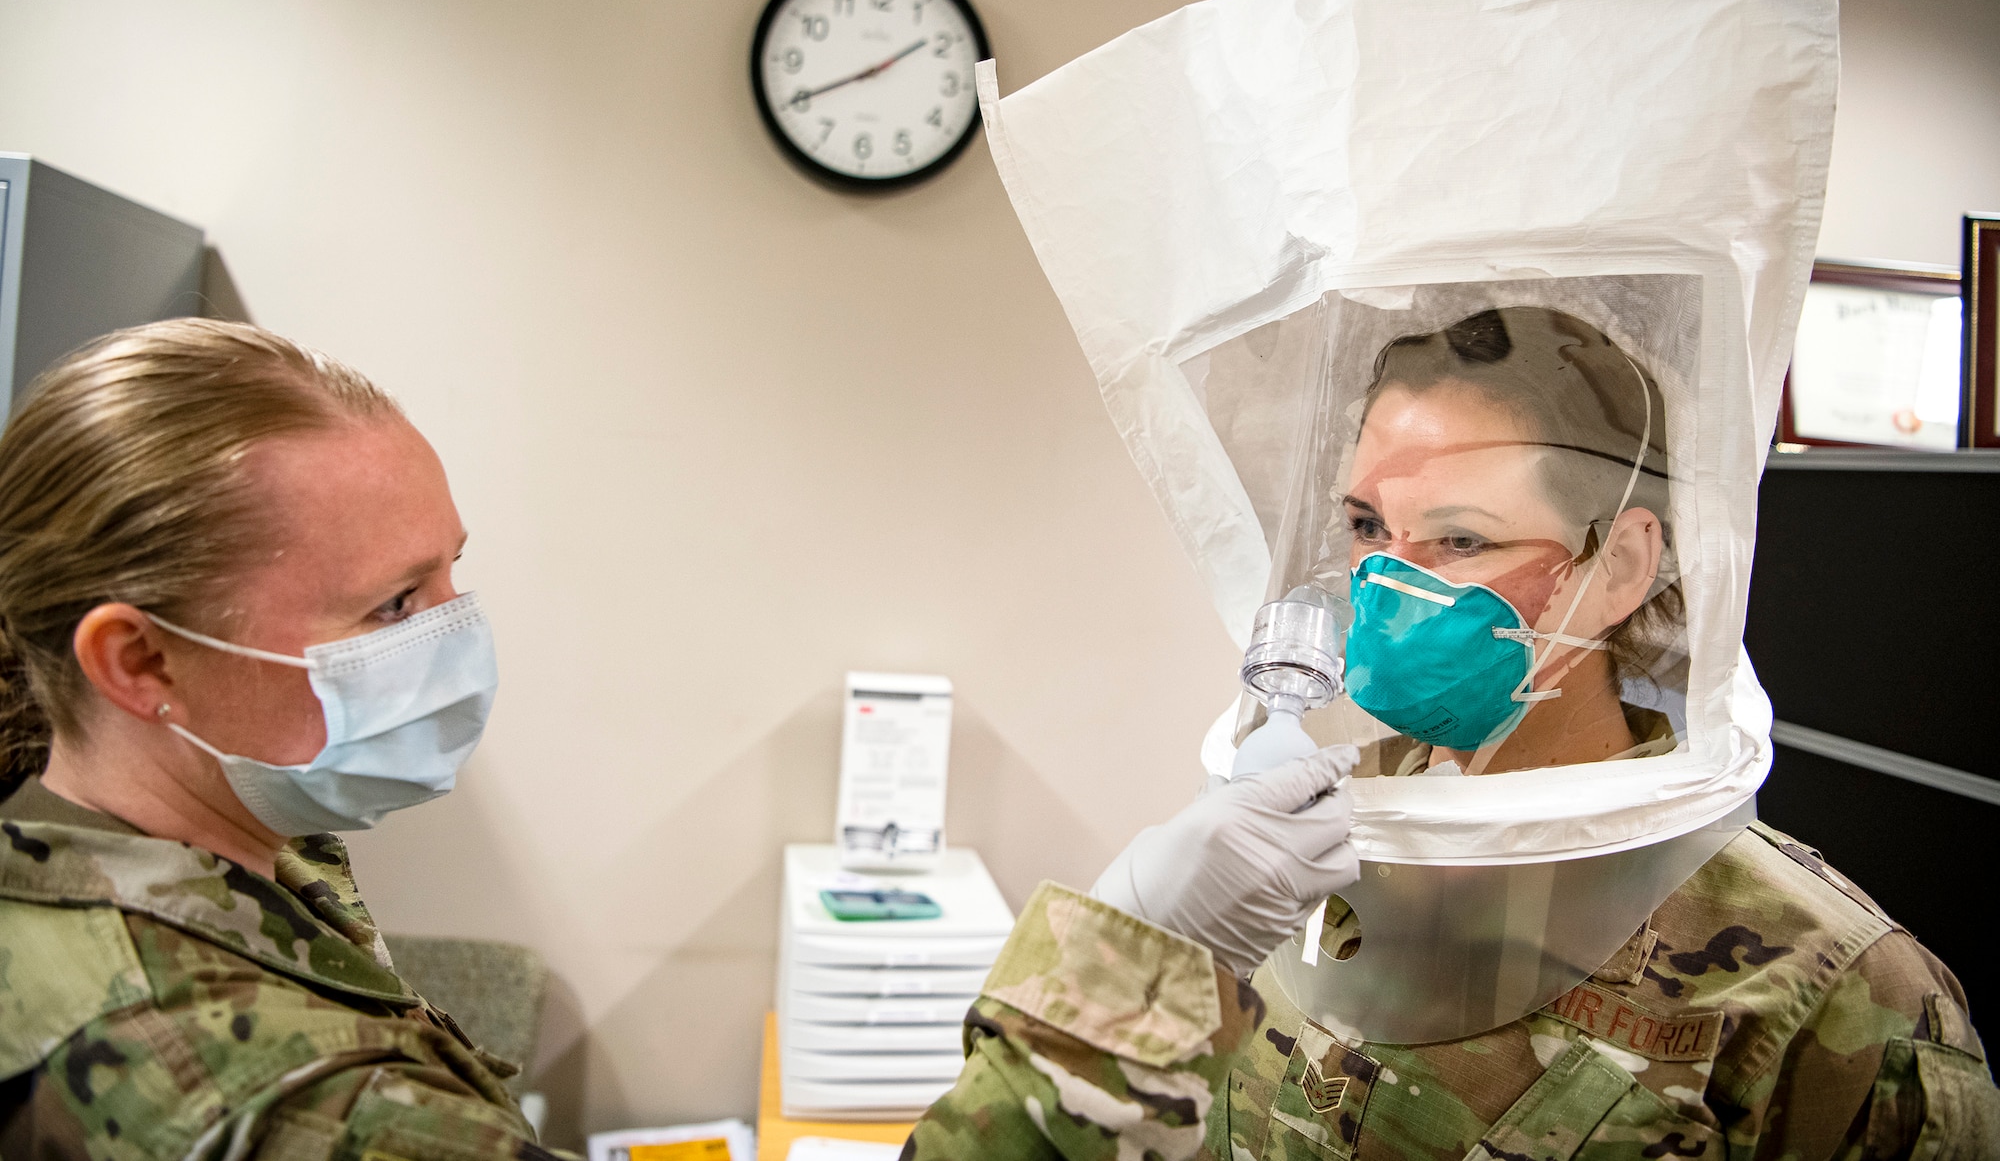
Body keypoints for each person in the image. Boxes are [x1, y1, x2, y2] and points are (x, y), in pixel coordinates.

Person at [0, 319, 1358, 1160]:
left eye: (452, 575)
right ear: (142, 661)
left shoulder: (147, 859)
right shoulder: (242, 1092)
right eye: (395, 604)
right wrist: (1135, 966)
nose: (456, 634)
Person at [901, 307, 2000, 1158]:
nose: (1382, 587)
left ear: (1615, 566)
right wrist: (1141, 954)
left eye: (1459, 539)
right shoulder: (1298, 858)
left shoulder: (1832, 995)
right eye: (1366, 529)